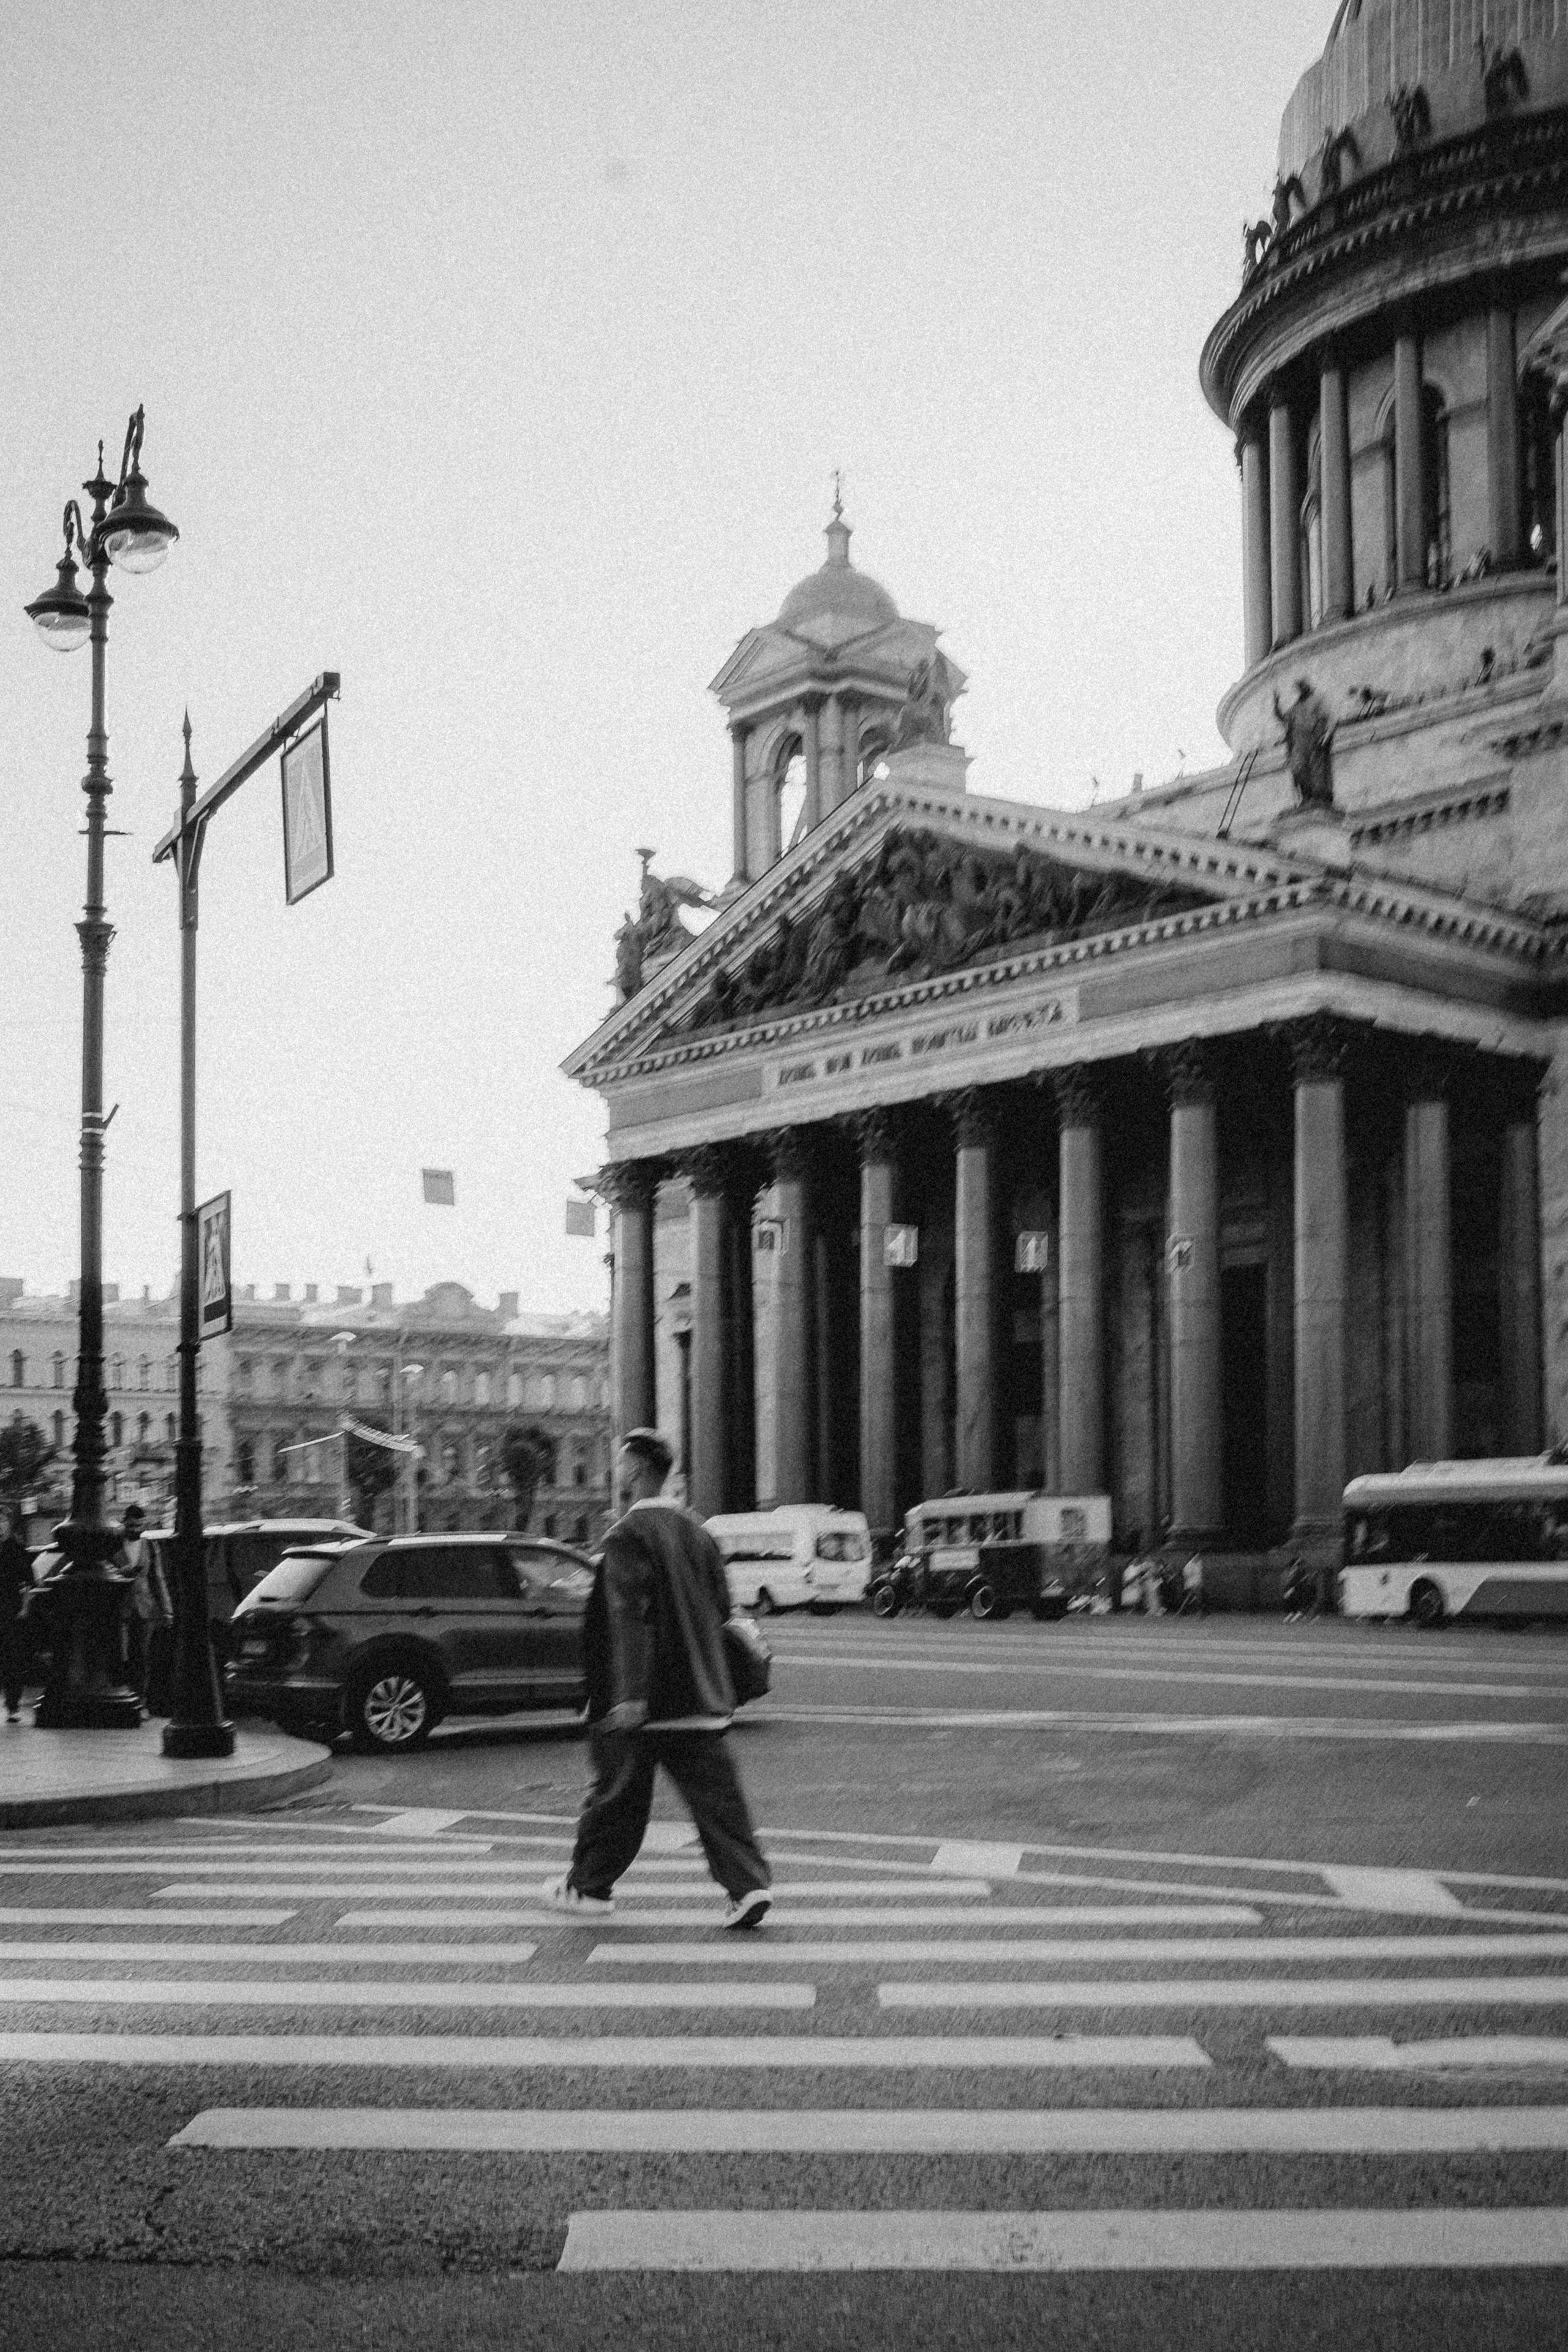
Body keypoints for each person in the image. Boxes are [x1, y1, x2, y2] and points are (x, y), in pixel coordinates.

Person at [545, 1427, 772, 1930]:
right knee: (720, 1802)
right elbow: (720, 1610)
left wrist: (629, 1696)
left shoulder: (627, 1535)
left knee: (617, 1798)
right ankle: (749, 1886)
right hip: (702, 1695)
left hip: (645, 1701)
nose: (616, 1471)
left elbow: (628, 1616)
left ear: (634, 1470)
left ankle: (588, 1888)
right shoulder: (700, 1533)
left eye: (620, 1462)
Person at [117, 1505, 173, 1710]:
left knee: (142, 1657)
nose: (135, 1530)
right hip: (120, 1609)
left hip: (144, 1609)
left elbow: (158, 1579)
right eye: (131, 1526)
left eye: (138, 1526)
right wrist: (122, 1572)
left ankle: (140, 1702)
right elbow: (105, 1571)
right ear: (124, 1524)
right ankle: (122, 1697)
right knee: (122, 1656)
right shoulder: (114, 1545)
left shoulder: (150, 1546)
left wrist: (167, 1610)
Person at [0, 1510, 32, 1724]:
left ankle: (13, 1705)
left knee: (12, 1659)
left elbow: (28, 1581)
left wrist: (24, 1607)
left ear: (8, 1525)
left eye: (2, 1522)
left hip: (10, 1608)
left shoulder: (16, 1549)